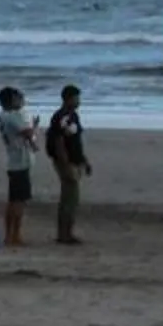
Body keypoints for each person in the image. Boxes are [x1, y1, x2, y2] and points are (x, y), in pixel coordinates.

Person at [46, 83, 91, 244]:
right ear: (68, 99)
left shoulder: (74, 116)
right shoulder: (61, 117)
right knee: (69, 197)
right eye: (76, 98)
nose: (78, 101)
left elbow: (76, 141)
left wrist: (84, 161)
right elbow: (59, 142)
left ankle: (67, 232)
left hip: (75, 159)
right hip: (66, 162)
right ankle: (63, 233)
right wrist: (65, 163)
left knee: (72, 198)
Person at [0, 85, 38, 248]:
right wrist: (34, 125)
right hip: (19, 162)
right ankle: (14, 235)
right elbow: (27, 132)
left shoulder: (4, 116)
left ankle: (10, 235)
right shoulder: (12, 116)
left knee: (14, 200)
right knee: (18, 201)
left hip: (15, 161)